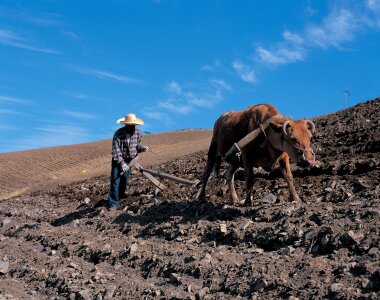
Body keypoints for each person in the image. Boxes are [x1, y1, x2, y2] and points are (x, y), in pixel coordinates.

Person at [108, 113, 148, 210]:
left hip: (130, 160)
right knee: (115, 180)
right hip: (118, 160)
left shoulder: (138, 133)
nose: (132, 127)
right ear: (126, 125)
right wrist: (122, 164)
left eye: (134, 125)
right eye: (130, 125)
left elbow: (137, 146)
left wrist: (142, 148)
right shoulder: (118, 134)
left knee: (124, 181)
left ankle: (119, 198)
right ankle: (113, 203)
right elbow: (116, 151)